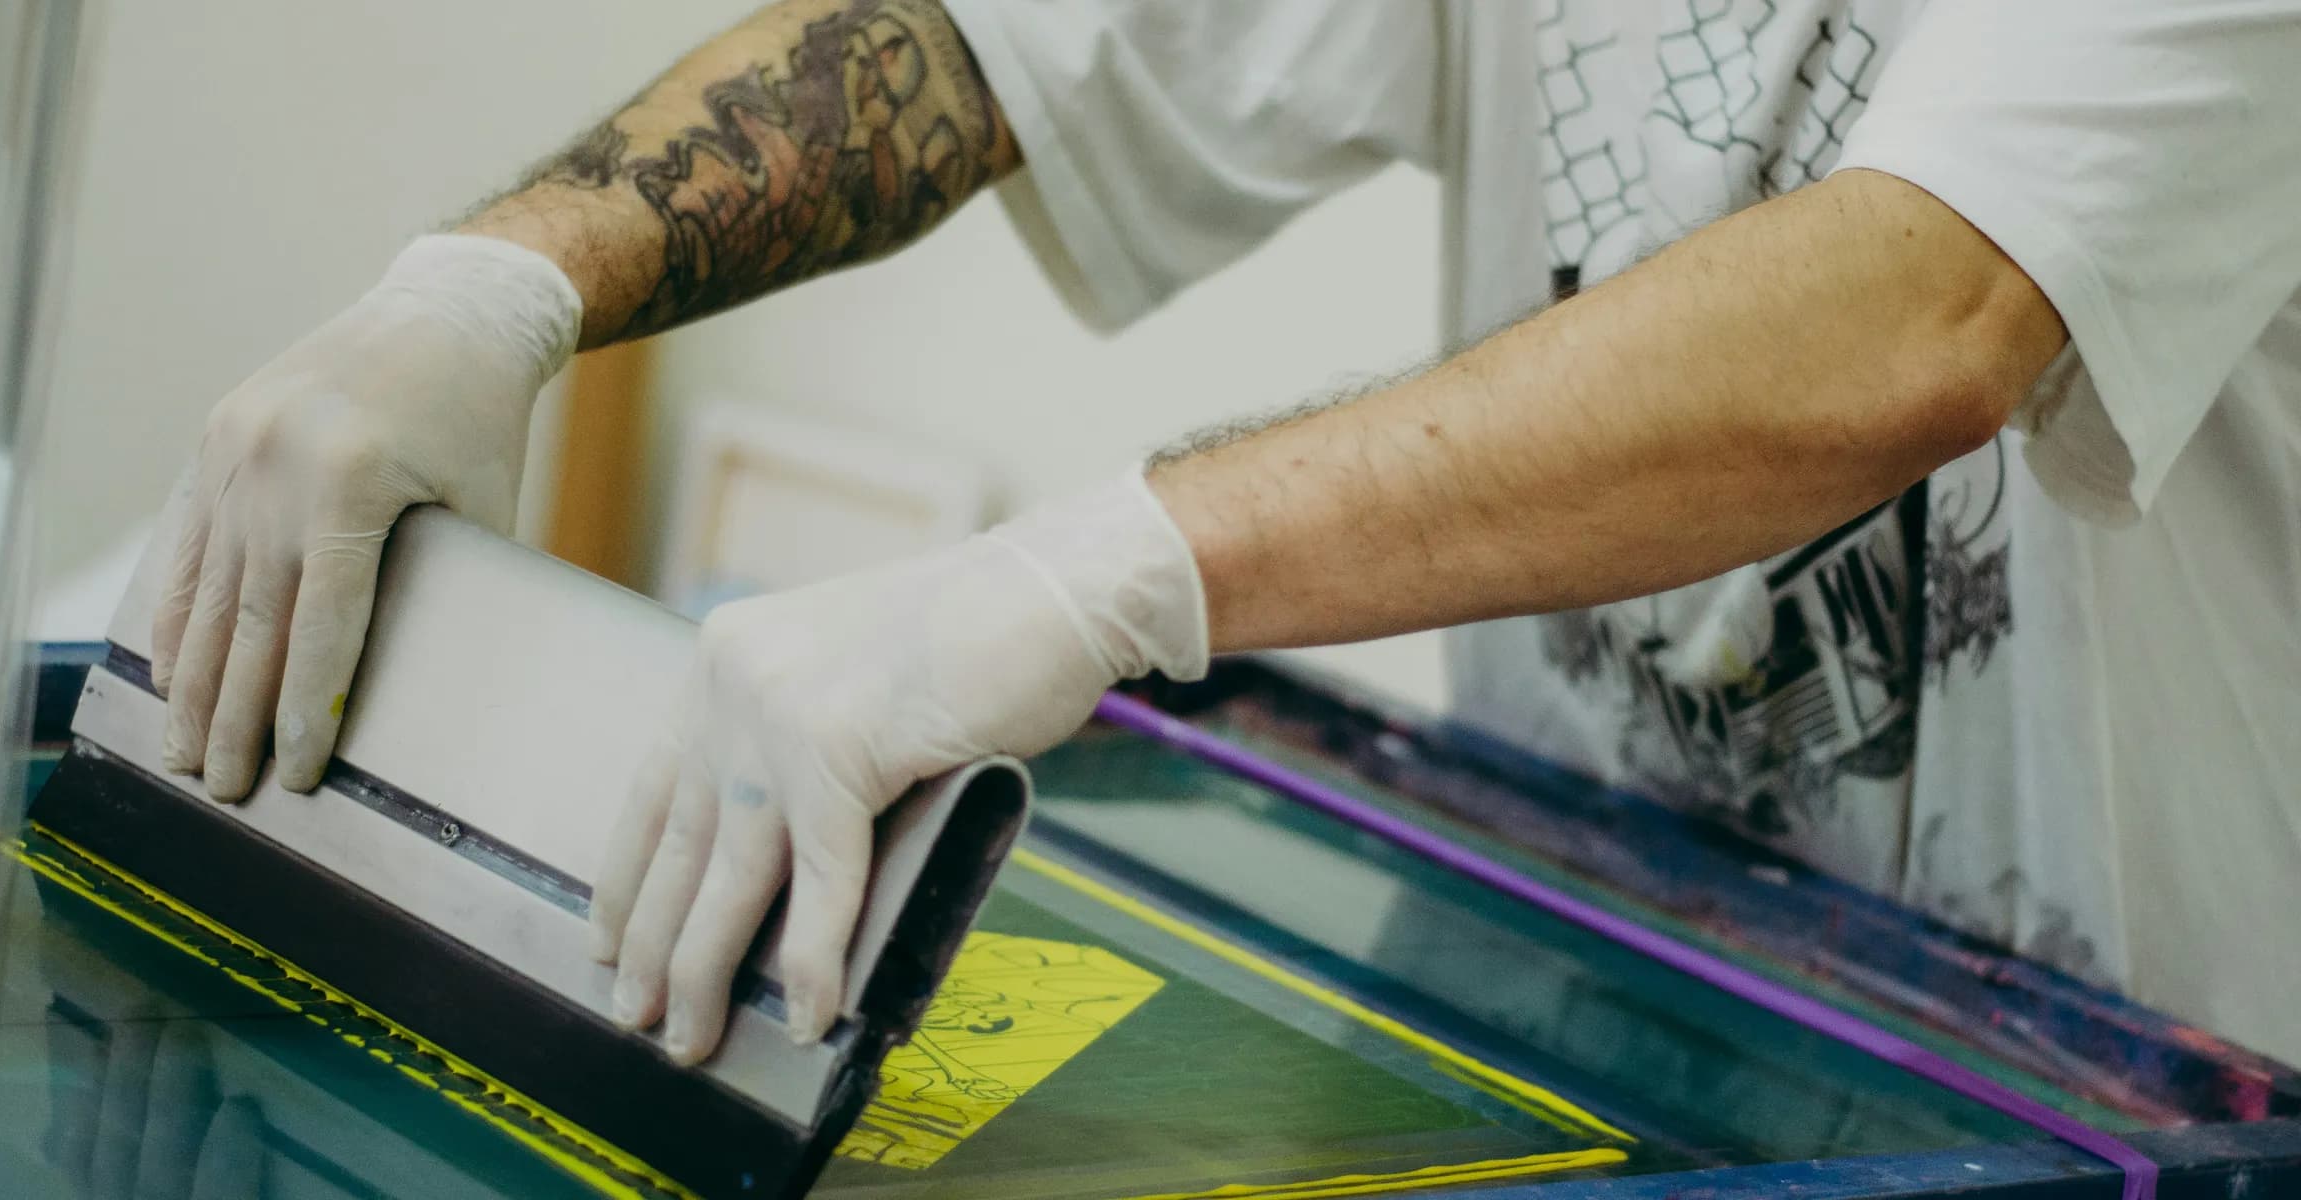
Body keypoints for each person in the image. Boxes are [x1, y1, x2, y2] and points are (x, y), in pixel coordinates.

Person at [146, 0, 2301, 1068]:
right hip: (1613, 989)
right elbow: (1013, 42)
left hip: (2147, 1090)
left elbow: (1921, 309)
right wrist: (499, 283)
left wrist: (1092, 569)